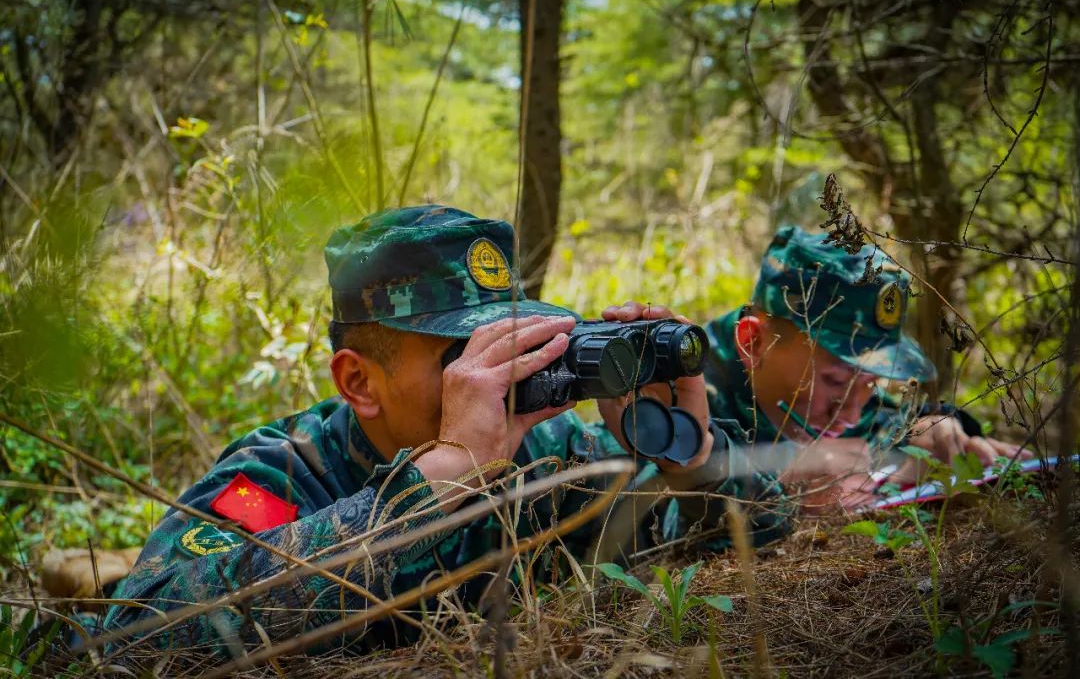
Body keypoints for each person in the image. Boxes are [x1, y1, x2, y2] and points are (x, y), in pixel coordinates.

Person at [99, 205, 777, 659]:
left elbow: (766, 529)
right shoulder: (279, 479)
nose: (498, 380)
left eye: (510, 343)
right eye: (465, 359)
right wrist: (441, 475)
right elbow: (135, 636)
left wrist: (690, 455)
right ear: (359, 382)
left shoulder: (546, 455)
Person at [702, 226, 1031, 513]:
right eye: (835, 381)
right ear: (753, 343)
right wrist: (777, 489)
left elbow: (883, 426)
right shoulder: (680, 392)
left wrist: (930, 430)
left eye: (871, 383)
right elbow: (661, 516)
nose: (850, 413)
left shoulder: (825, 396)